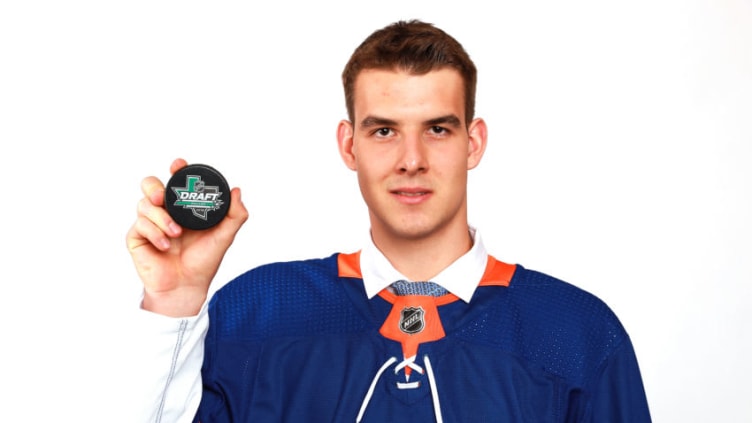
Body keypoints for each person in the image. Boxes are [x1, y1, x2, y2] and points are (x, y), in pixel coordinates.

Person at [127, 20, 652, 422]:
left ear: (474, 143)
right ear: (348, 144)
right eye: (383, 131)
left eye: (438, 130)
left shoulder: (577, 333)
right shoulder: (255, 313)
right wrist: (173, 303)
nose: (411, 159)